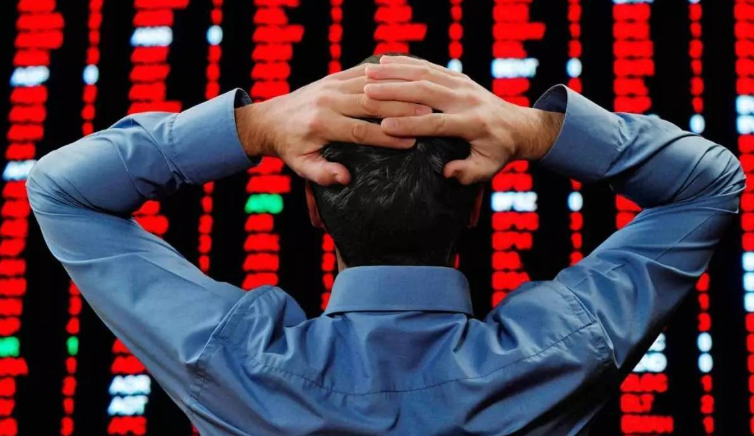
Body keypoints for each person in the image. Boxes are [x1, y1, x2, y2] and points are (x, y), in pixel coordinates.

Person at [28, 55, 743, 435]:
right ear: (475, 207)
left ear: (312, 207)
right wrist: (532, 129)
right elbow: (708, 184)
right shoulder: (561, 349)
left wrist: (257, 125)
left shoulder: (234, 360)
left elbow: (62, 189)